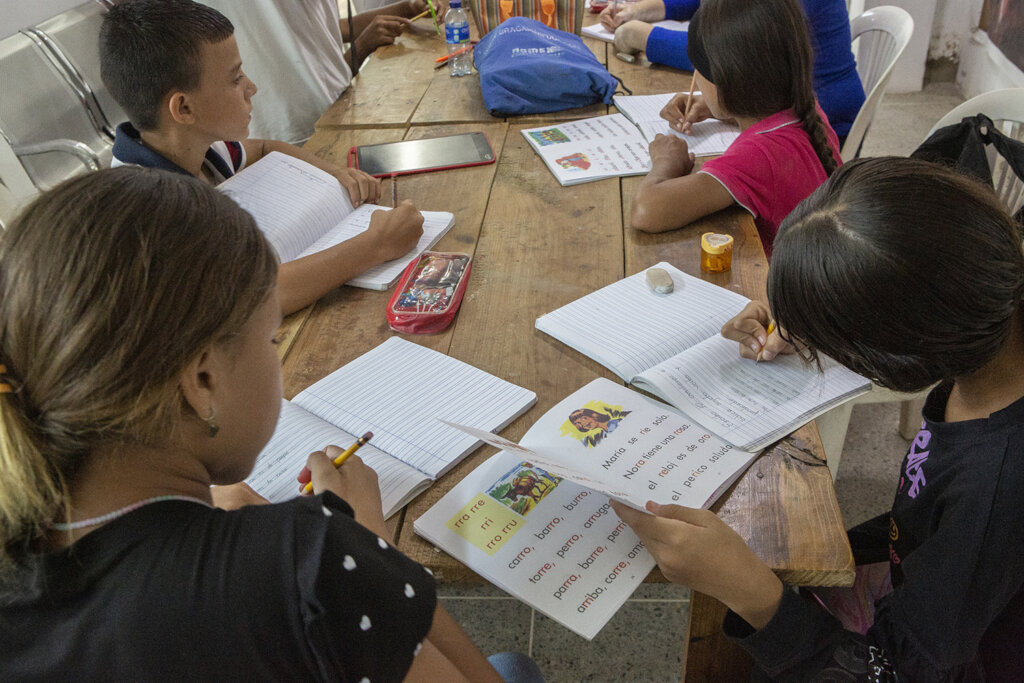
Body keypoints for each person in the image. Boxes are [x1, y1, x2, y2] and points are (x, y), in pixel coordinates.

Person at [0, 167, 546, 682]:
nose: (275, 357)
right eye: (270, 339)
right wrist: (371, 545)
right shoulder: (309, 565)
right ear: (203, 381)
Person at [612, 157, 1024, 679]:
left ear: (902, 352)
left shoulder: (996, 490)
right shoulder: (988, 333)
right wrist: (813, 318)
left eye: (834, 345)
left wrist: (753, 594)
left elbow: (896, 670)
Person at [100, 0, 424, 316]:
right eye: (235, 78)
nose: (251, 87)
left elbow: (265, 148)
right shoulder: (149, 207)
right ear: (184, 108)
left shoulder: (198, 147)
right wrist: (377, 243)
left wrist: (337, 173)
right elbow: (258, 295)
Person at [628, 0, 840, 258]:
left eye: (698, 71)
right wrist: (717, 107)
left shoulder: (758, 156)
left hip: (779, 291)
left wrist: (665, 161)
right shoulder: (808, 108)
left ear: (725, 81)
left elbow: (646, 211)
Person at [600, 0, 864, 140]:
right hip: (777, 102)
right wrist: (644, 9)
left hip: (823, 118)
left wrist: (645, 38)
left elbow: (727, 49)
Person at [198, 0, 448, 144]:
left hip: (337, 110)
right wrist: (361, 45)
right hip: (288, 133)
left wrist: (403, 9)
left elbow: (320, 30)